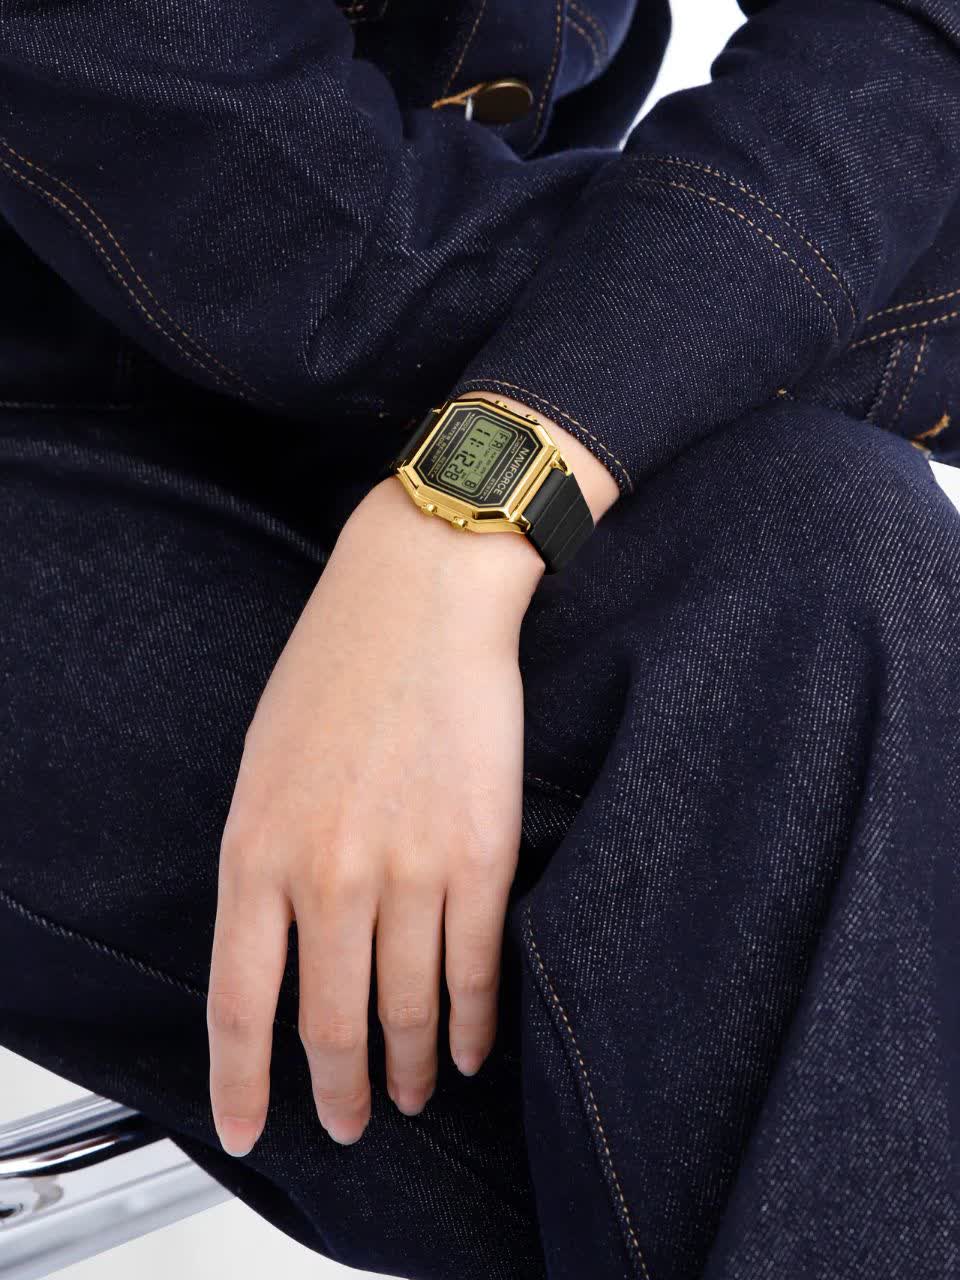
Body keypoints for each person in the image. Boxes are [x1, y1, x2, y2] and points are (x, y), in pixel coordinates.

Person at [1, 0, 959, 1275]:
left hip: (430, 370)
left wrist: (471, 515)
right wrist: (713, 303)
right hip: (41, 444)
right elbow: (300, 224)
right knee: (767, 1000)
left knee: (831, 541)